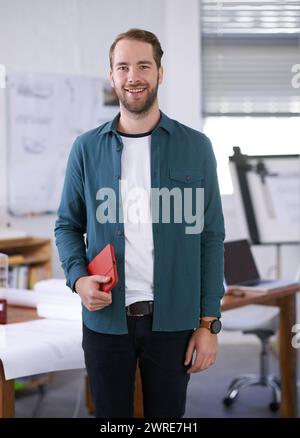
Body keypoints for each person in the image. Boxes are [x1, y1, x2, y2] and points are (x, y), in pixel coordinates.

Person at [55, 28, 225, 418]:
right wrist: (78, 279)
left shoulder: (195, 146)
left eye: (144, 65)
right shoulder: (85, 149)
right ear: (112, 76)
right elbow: (67, 225)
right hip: (105, 321)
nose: (134, 76)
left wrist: (209, 324)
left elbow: (211, 237)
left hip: (174, 320)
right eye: (123, 67)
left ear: (160, 73)